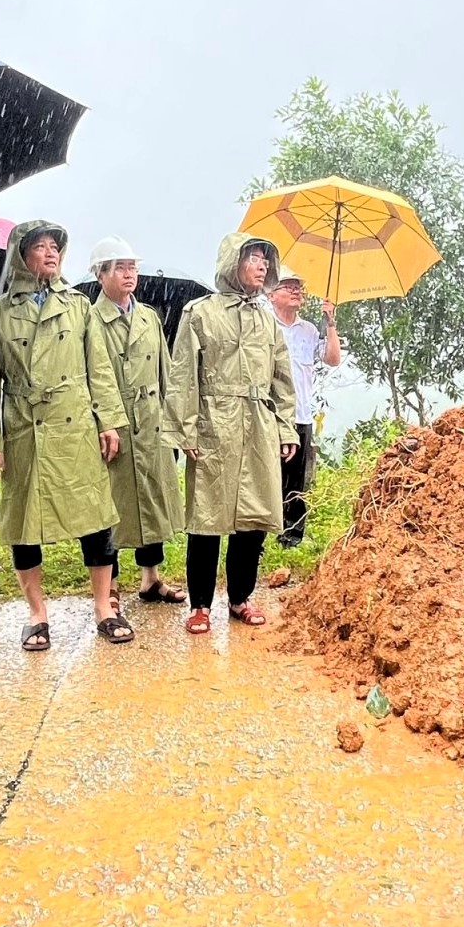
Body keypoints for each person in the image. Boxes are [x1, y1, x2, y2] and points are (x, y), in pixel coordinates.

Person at [0, 221, 132, 650]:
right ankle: (37, 614)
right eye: (39, 247)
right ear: (21, 256)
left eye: (54, 246)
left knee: (95, 517)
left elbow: (99, 367)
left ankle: (104, 607)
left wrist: (109, 420)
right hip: (24, 426)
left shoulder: (79, 307)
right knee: (24, 523)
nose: (50, 252)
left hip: (75, 422)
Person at [164, 233, 297, 634]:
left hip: (258, 423)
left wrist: (286, 427)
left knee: (253, 518)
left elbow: (282, 377)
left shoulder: (266, 318)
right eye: (253, 257)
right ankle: (200, 604)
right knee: (206, 517)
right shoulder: (200, 312)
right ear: (232, 263)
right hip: (214, 422)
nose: (261, 265)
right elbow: (183, 374)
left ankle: (240, 598)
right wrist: (184, 429)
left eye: (264, 259)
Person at [88, 237, 184, 604]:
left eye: (133, 268)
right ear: (101, 274)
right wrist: (101, 420)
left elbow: (166, 372)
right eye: (120, 267)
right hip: (114, 421)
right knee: (113, 504)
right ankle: (109, 586)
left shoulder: (148, 316)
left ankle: (151, 577)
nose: (129, 275)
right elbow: (91, 377)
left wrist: (173, 420)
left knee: (153, 497)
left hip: (152, 416)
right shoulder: (91, 318)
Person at [269, 267, 342, 547]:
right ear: (272, 294)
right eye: (288, 286)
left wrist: (330, 322)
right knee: (269, 476)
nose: (296, 291)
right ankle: (262, 533)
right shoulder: (266, 325)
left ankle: (292, 536)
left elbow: (332, 359)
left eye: (298, 286)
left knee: (297, 481)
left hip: (302, 414)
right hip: (273, 414)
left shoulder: (309, 329)